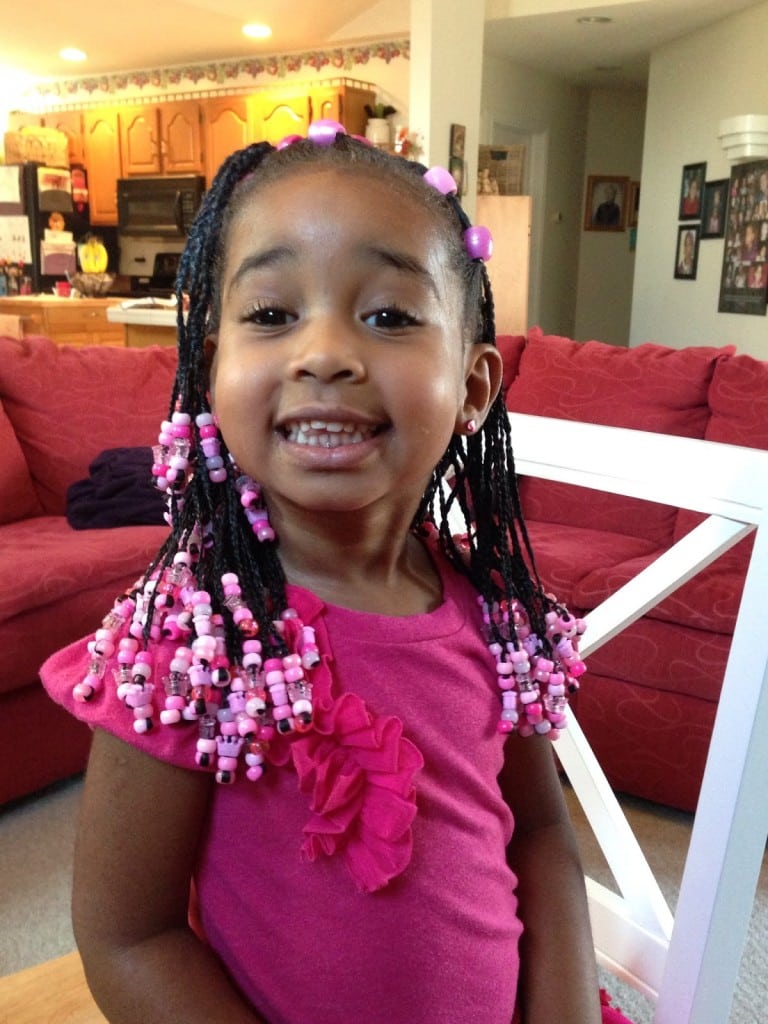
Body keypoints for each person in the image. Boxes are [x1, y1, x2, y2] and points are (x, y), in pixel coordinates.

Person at [41, 121, 618, 1024]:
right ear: (209, 366)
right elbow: (129, 936)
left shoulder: (494, 612)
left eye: (388, 315)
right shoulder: (190, 642)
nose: (323, 353)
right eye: (271, 314)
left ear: (474, 389)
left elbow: (542, 834)